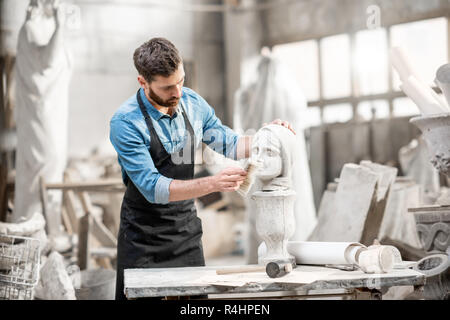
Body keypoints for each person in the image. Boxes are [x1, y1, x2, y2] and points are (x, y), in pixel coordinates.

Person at [109, 37, 294, 300]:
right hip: (143, 239)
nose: (178, 93)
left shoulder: (193, 104)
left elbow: (229, 143)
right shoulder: (126, 122)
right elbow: (153, 188)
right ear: (143, 82)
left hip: (185, 232)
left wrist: (269, 135)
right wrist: (213, 183)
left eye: (181, 81)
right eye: (168, 87)